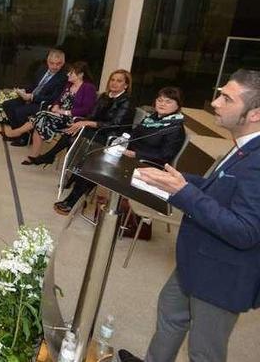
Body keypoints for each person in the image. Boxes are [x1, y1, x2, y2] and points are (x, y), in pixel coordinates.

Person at [118, 71, 260, 362]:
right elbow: (219, 189)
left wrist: (183, 191)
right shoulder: (243, 146)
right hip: (196, 258)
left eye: (226, 98)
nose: (215, 103)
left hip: (222, 274)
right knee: (170, 312)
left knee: (203, 351)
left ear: (255, 113)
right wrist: (177, 179)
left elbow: (245, 231)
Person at [53, 86, 186, 215]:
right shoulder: (151, 119)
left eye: (168, 101)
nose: (162, 104)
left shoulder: (175, 128)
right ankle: (76, 197)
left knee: (99, 165)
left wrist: (134, 154)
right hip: (129, 156)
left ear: (178, 106)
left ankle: (73, 200)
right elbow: (135, 135)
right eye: (160, 100)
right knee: (94, 157)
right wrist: (122, 143)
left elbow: (165, 156)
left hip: (146, 165)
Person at [30, 69, 134, 166]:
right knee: (72, 130)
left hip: (110, 135)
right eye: (112, 79)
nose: (114, 83)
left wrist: (86, 123)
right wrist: (78, 122)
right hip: (96, 129)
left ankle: (65, 164)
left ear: (125, 85)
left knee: (73, 136)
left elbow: (114, 125)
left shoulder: (127, 101)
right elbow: (92, 115)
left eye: (119, 81)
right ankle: (68, 166)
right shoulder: (104, 96)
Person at [3, 61, 97, 164]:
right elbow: (59, 99)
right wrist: (56, 106)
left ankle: (17, 133)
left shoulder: (88, 88)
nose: (68, 74)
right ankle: (33, 156)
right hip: (57, 115)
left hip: (72, 119)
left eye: (71, 73)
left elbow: (86, 109)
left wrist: (64, 112)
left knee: (41, 116)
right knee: (40, 121)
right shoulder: (69, 84)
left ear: (80, 74)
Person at [0, 49, 68, 146]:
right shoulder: (42, 69)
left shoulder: (63, 77)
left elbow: (53, 98)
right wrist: (24, 91)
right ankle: (18, 134)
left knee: (20, 111)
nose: (54, 66)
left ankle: (24, 138)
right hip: (30, 97)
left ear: (63, 63)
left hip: (43, 104)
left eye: (58, 64)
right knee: (8, 105)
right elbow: (34, 85)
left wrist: (32, 97)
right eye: (52, 63)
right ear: (47, 61)